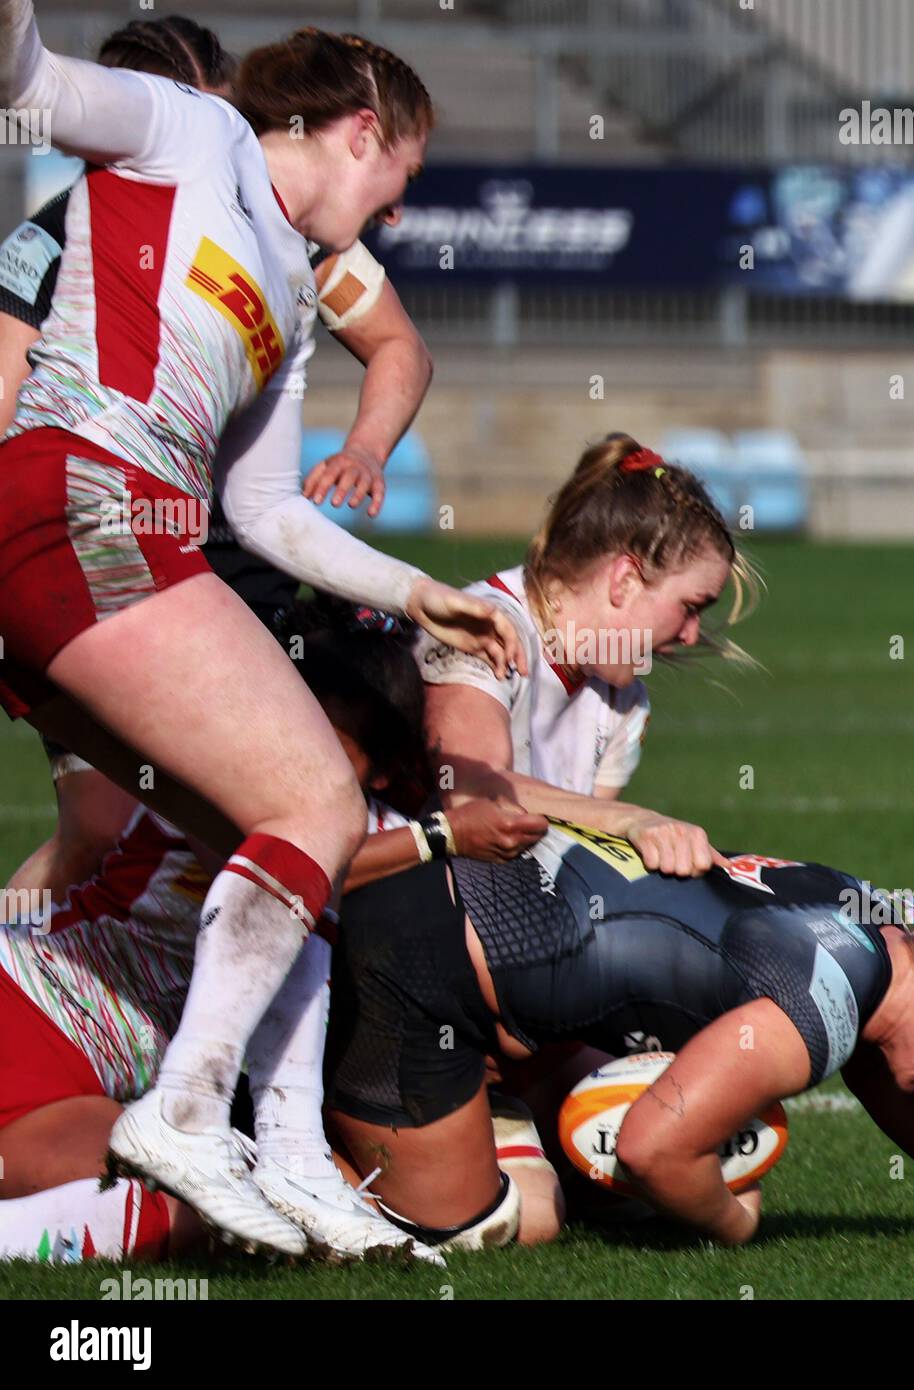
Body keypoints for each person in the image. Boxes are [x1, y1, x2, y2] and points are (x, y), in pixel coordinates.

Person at [0, 3, 523, 1257]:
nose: (396, 211)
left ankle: (287, 1150)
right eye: (401, 173)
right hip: (78, 501)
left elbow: (264, 510)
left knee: (278, 827)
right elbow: (26, 79)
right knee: (320, 807)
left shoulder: (291, 282)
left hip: (119, 531)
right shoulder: (186, 130)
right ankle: (184, 1110)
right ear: (357, 129)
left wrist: (411, 591)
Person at [0, 15, 437, 903]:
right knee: (107, 825)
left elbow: (401, 346)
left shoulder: (302, 237)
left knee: (262, 820)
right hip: (92, 536)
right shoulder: (62, 234)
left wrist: (364, 446)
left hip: (213, 556)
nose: (228, 129)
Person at [0, 599, 545, 1265]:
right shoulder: (219, 781)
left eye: (324, 741)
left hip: (99, 1071)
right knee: (190, 1206)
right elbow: (288, 866)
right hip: (29, 1009)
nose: (292, 748)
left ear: (377, 769)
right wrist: (440, 837)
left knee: (195, 1213)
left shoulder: (375, 829)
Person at [322, 827, 914, 1249]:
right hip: (414, 967)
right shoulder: (824, 1004)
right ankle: (262, 1149)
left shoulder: (890, 930)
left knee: (588, 1184)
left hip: (472, 931)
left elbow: (895, 1076)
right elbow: (653, 1149)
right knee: (508, 1225)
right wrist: (731, 1221)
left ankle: (462, 1104)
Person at [422, 431, 761, 877]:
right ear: (624, 580)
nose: (693, 634)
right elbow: (472, 790)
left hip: (526, 917)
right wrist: (631, 821)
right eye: (690, 607)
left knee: (871, 923)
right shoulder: (483, 629)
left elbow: (580, 867)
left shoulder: (623, 699)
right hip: (411, 920)